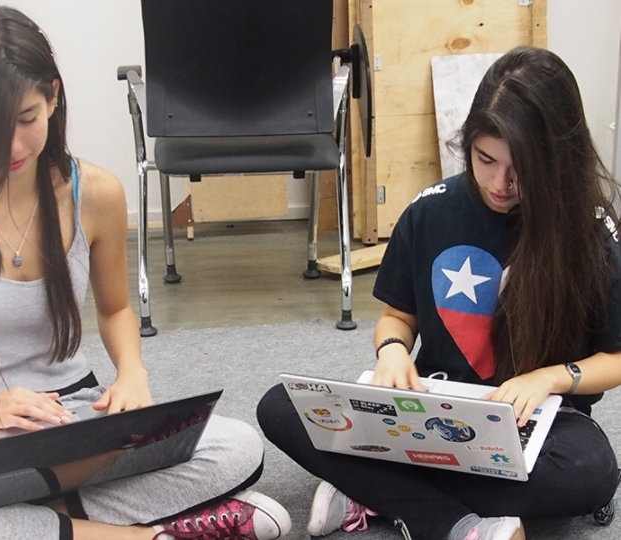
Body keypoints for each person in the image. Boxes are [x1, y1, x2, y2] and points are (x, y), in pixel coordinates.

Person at [0, 5, 292, 539]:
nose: (12, 147)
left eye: (26, 119)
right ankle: (149, 535)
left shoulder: (95, 192)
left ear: (53, 96)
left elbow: (116, 307)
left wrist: (132, 374)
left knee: (236, 445)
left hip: (80, 414)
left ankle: (44, 525)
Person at [257, 46, 621, 540]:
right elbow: (397, 318)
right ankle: (451, 523)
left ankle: (373, 488)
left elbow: (616, 358)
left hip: (538, 422)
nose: (499, 183)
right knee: (283, 406)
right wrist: (390, 353)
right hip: (429, 411)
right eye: (484, 159)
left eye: (521, 169)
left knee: (592, 470)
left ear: (558, 157)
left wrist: (549, 379)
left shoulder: (592, 232)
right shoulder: (431, 212)